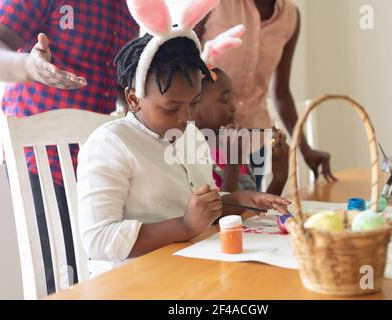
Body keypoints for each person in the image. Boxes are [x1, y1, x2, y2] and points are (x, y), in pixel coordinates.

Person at [77, 0, 291, 276]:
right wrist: (185, 227)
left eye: (194, 104)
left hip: (185, 264)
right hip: (132, 280)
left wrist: (240, 199)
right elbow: (97, 241)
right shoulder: (111, 144)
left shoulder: (188, 136)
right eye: (171, 107)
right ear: (133, 98)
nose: (186, 118)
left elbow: (195, 211)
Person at [0, 0, 139, 293]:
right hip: (43, 159)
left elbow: (117, 83)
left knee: (102, 272)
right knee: (61, 280)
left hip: (97, 162)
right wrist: (29, 66)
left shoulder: (128, 7)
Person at [195, 0, 337, 185]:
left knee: (250, 211)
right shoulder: (212, 4)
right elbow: (181, 71)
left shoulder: (290, 17)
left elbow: (281, 93)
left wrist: (304, 148)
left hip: (255, 142)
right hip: (205, 141)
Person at [195, 67, 289, 195]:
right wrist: (233, 163)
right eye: (225, 99)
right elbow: (223, 212)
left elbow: (255, 211)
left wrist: (279, 179)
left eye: (232, 99)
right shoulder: (196, 161)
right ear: (194, 108)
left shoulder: (234, 151)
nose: (233, 107)